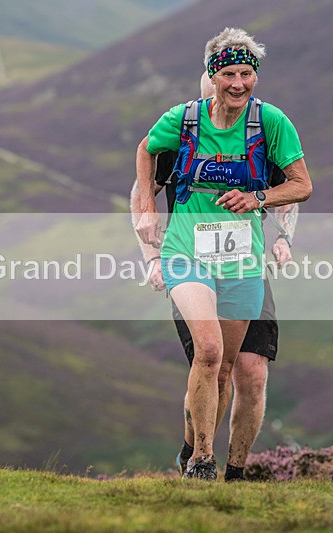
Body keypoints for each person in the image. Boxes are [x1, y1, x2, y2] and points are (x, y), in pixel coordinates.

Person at [135, 27, 312, 480]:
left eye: (245, 74)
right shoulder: (183, 123)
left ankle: (228, 471)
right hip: (187, 253)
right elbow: (144, 162)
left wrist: (273, 222)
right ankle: (200, 460)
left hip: (242, 259)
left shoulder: (268, 123)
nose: (237, 84)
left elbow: (297, 187)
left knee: (235, 370)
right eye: (227, 75)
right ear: (211, 78)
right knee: (210, 352)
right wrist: (150, 237)